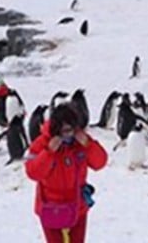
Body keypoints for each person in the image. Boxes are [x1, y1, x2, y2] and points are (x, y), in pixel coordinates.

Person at [25, 103, 107, 243]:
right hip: (50, 206)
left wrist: (88, 144)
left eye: (71, 130)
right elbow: (33, 172)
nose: (68, 134)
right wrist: (49, 152)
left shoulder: (81, 142)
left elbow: (100, 162)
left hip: (77, 205)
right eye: (64, 131)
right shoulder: (42, 143)